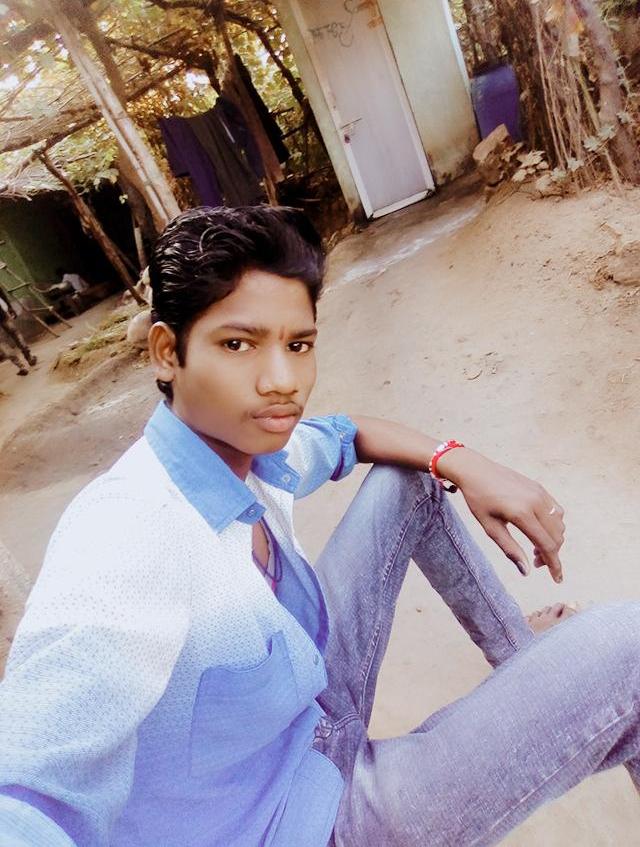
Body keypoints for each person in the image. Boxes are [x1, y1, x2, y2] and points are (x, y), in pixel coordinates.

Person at [0, 206, 637, 847]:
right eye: (237, 344)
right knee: (629, 648)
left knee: (408, 477)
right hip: (304, 824)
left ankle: (522, 659)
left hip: (307, 714)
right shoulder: (126, 533)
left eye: (298, 345)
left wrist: (464, 462)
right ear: (168, 352)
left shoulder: (252, 452)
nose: (282, 382)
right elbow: (28, 794)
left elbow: (348, 434)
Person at [0, 289, 37, 376]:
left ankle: (21, 366)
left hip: (2, 314)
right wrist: (10, 308)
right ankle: (29, 358)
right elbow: (2, 294)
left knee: (2, 343)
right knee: (16, 334)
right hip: (2, 314)